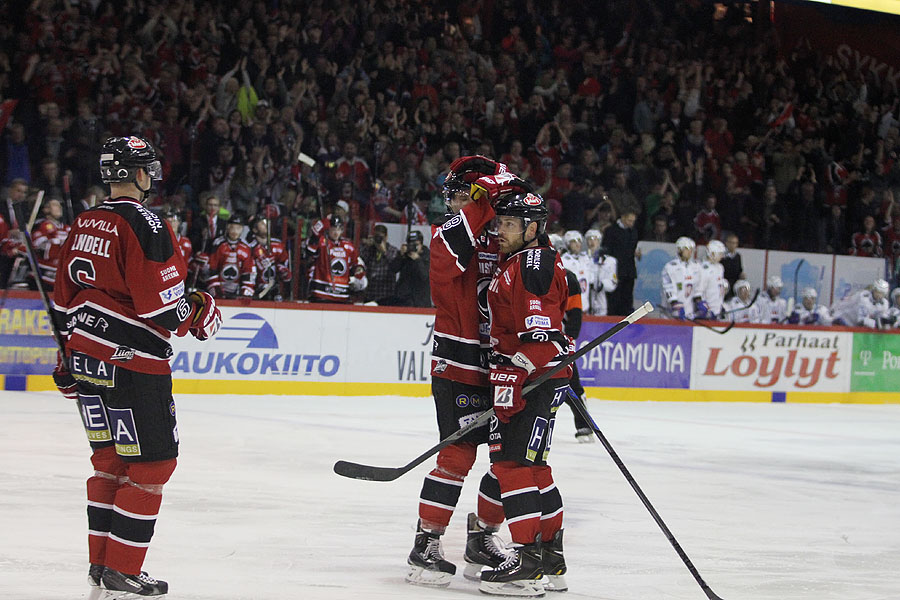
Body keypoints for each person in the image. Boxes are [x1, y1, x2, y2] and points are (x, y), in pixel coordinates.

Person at [51, 136, 221, 598]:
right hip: (132, 364)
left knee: (109, 461)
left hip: (87, 360)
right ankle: (122, 569)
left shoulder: (85, 220)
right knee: (153, 464)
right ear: (141, 173)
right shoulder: (144, 221)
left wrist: (68, 359)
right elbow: (162, 308)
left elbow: (63, 302)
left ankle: (101, 564)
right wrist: (199, 313)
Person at [406, 156, 524, 587]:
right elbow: (455, 247)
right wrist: (485, 195)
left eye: (463, 193)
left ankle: (482, 536)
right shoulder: (448, 234)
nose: (454, 201)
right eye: (457, 194)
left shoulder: (507, 238)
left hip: (504, 366)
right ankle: (426, 543)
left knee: (506, 456)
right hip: (459, 363)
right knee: (458, 454)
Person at [482, 190, 571, 596]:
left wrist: (514, 375)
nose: (499, 230)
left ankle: (526, 562)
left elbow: (540, 334)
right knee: (535, 467)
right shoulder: (521, 261)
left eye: (509, 224)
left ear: (533, 229)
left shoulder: (531, 263)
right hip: (543, 377)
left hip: (531, 377)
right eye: (499, 222)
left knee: (512, 466)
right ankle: (550, 557)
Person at [306, 214, 367, 303]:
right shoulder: (321, 242)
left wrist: (358, 269)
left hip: (341, 294)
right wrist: (324, 222)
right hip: (321, 292)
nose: (336, 232)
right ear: (328, 229)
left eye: (338, 229)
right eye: (333, 229)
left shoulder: (348, 246)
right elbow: (309, 252)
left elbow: (357, 262)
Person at [206, 214, 256, 298]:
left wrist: (246, 290)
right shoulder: (218, 244)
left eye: (238, 228)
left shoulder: (246, 247)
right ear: (227, 228)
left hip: (237, 290)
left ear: (242, 229)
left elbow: (249, 271)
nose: (235, 231)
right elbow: (211, 268)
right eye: (232, 227)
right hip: (218, 288)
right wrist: (216, 288)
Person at [604, 209, 640, 315]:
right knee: (615, 297)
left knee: (627, 296)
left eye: (633, 221)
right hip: (615, 269)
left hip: (629, 270)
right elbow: (607, 249)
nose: (631, 223)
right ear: (623, 217)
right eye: (629, 220)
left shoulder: (633, 231)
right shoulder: (611, 230)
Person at [246, 215, 291, 300]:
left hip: (274, 289)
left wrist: (284, 271)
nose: (266, 225)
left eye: (266, 222)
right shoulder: (250, 248)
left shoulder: (278, 245)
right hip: (256, 290)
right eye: (262, 223)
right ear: (255, 229)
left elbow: (284, 265)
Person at [30, 198, 70, 290]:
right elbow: (40, 249)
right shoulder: (41, 226)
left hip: (61, 276)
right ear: (46, 209)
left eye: (60, 206)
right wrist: (59, 245)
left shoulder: (67, 228)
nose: (59, 208)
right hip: (43, 277)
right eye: (55, 205)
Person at [662, 237, 701, 320]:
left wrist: (699, 302)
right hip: (671, 313)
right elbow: (667, 287)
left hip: (688, 313)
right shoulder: (670, 267)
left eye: (691, 249)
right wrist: (674, 303)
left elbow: (697, 287)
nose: (690, 252)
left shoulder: (695, 267)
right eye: (687, 249)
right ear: (679, 249)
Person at [360, 223, 399, 304]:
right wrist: (366, 246)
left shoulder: (393, 250)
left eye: (381, 237)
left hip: (386, 293)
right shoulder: (369, 249)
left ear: (386, 237)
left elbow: (395, 266)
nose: (378, 239)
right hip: (370, 292)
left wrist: (384, 251)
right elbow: (361, 261)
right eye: (376, 237)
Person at [391, 230, 431, 307]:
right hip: (403, 300)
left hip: (421, 301)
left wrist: (417, 260)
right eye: (410, 244)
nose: (413, 247)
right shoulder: (404, 255)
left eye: (416, 244)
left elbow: (425, 276)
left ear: (421, 244)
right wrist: (401, 255)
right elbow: (393, 269)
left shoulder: (428, 256)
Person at [585, 229, 618, 316]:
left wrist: (601, 284)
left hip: (600, 301)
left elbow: (612, 283)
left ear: (599, 241)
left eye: (595, 239)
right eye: (590, 239)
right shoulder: (582, 259)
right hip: (584, 300)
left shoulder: (609, 261)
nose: (592, 242)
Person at [560, 230, 593, 313]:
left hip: (585, 306)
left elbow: (591, 279)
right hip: (570, 306)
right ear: (567, 244)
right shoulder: (563, 261)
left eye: (579, 241)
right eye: (573, 241)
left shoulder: (585, 259)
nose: (577, 244)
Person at [696, 240, 728, 319]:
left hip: (717, 311)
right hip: (707, 312)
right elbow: (698, 292)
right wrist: (705, 308)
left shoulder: (720, 268)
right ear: (712, 253)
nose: (722, 257)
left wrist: (721, 306)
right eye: (720, 254)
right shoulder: (702, 269)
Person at [720, 233, 745, 300]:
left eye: (735, 243)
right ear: (726, 243)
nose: (733, 245)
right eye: (731, 242)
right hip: (724, 284)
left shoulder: (738, 256)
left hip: (734, 285)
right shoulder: (722, 256)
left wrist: (742, 275)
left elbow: (739, 269)